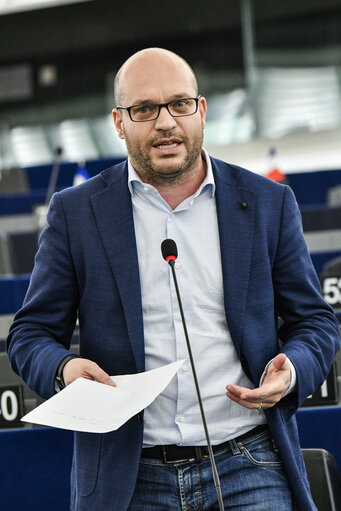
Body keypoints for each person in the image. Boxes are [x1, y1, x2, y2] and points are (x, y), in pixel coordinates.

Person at [7, 48, 340, 511]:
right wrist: (65, 370)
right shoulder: (76, 213)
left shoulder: (268, 203)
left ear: (201, 111)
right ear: (119, 122)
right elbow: (31, 334)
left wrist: (293, 368)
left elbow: (315, 322)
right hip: (129, 476)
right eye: (144, 109)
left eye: (179, 104)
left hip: (248, 461)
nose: (165, 122)